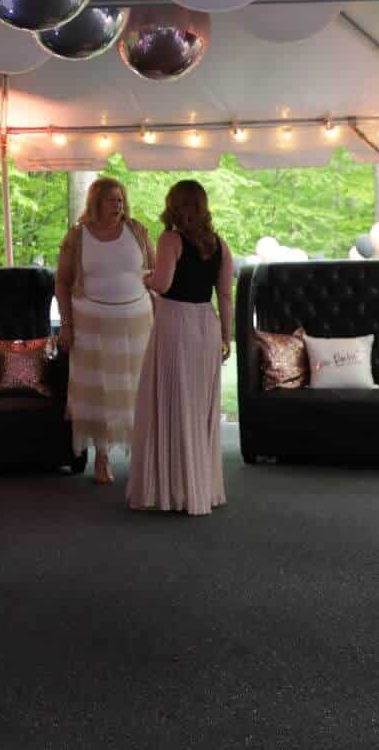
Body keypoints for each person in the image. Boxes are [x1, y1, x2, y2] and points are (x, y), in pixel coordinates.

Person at [129, 179, 233, 515]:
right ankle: (200, 488)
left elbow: (162, 284)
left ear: (173, 205)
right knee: (198, 404)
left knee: (172, 400)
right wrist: (226, 336)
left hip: (176, 323)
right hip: (207, 323)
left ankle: (171, 488)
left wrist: (145, 279)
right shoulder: (220, 244)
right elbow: (226, 295)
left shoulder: (170, 239)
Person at [56, 178, 154, 485]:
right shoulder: (77, 236)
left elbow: (154, 275)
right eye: (112, 200)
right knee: (99, 391)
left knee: (137, 390)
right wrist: (67, 325)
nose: (118, 205)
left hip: (137, 323)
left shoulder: (137, 231)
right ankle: (102, 456)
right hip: (91, 325)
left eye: (121, 200)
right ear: (96, 203)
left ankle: (143, 456)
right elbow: (62, 281)